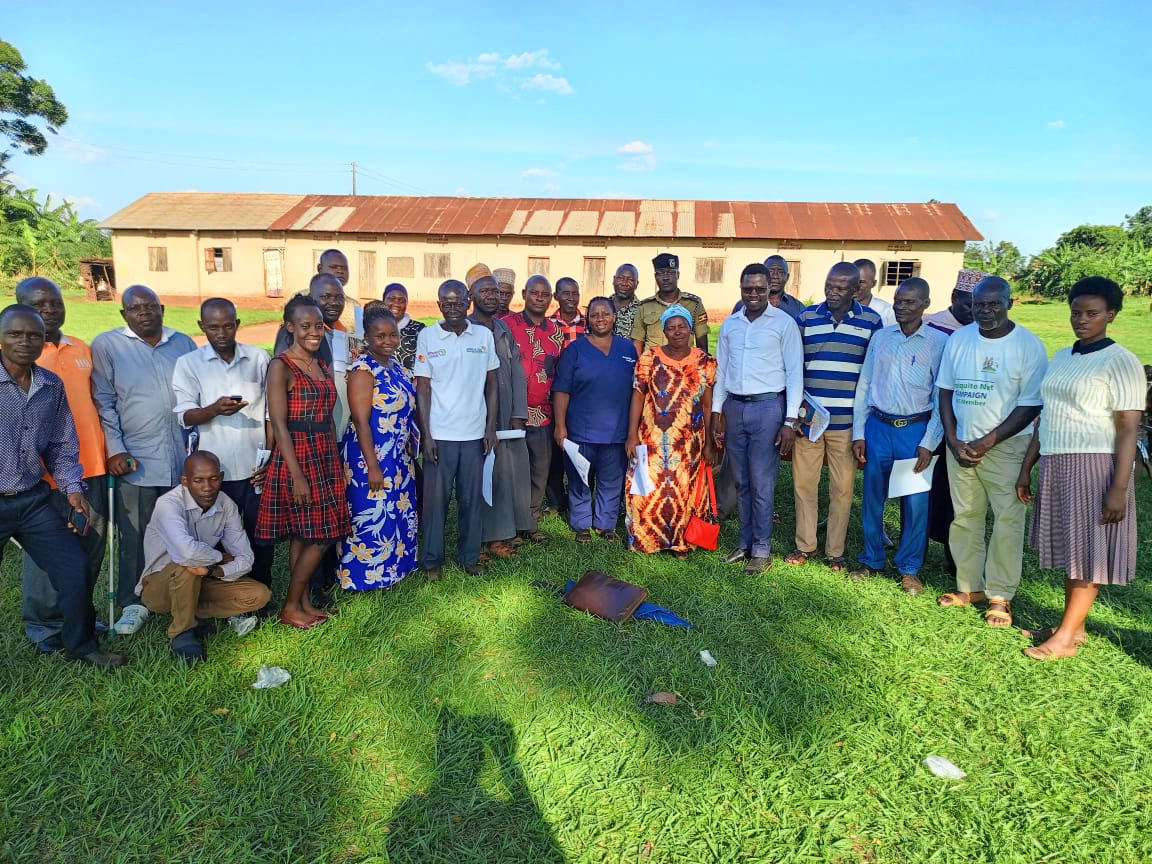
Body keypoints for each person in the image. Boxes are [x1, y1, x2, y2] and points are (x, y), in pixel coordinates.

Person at [1016, 277, 1145, 659]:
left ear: (1111, 315)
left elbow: (1127, 429)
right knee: (1073, 550)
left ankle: (1064, 639)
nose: (1081, 320)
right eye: (1076, 312)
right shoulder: (1063, 356)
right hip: (1058, 463)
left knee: (1088, 551)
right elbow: (1047, 416)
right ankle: (1073, 627)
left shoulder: (1121, 361)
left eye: (1092, 313)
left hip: (1095, 465)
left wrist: (1119, 488)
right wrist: (1027, 467)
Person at [0, 304, 124, 669]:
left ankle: (82, 645)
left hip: (31, 499)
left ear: (43, 340)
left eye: (33, 335)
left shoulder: (49, 385)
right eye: (15, 334)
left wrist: (72, 489)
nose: (25, 341)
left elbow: (61, 444)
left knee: (73, 566)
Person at [936, 276, 1047, 627]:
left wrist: (987, 442)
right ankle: (970, 586)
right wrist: (953, 441)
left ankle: (1000, 595)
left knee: (1007, 520)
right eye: (979, 304)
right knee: (965, 516)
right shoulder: (959, 339)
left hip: (1006, 447)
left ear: (1010, 303)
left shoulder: (1028, 346)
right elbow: (945, 391)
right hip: (962, 444)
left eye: (993, 304)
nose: (985, 311)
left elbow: (1031, 405)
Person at [91, 284, 196, 635]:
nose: (144, 312)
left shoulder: (182, 343)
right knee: (134, 536)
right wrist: (115, 449)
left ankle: (173, 594)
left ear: (162, 308)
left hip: (181, 458)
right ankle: (132, 602)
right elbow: (104, 402)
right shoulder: (108, 346)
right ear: (124, 314)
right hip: (136, 460)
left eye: (150, 306)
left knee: (179, 530)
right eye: (135, 308)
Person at [14, 278, 109, 655]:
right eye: (39, 305)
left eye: (55, 303)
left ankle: (79, 615)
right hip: (44, 476)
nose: (50, 310)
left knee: (90, 546)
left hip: (92, 467)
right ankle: (44, 624)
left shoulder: (81, 349)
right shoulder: (22, 353)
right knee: (45, 555)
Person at [256, 294, 352, 628]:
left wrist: (337, 462)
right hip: (297, 454)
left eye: (318, 326)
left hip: (324, 451)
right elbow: (279, 424)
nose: (314, 332)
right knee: (320, 535)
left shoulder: (321, 365)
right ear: (289, 327)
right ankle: (290, 606)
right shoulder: (281, 366)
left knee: (304, 534)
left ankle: (303, 602)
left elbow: (328, 416)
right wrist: (296, 475)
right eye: (305, 326)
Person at [850, 278, 948, 593]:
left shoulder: (938, 343)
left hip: (915, 430)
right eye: (898, 301)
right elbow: (865, 385)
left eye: (910, 302)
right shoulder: (881, 338)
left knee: (915, 502)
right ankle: (872, 558)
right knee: (872, 497)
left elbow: (940, 397)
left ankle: (908, 568)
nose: (902, 307)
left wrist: (929, 443)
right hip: (878, 427)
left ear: (925, 305)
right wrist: (859, 432)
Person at [172, 298, 273, 595]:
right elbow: (185, 415)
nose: (221, 333)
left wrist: (269, 459)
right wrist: (213, 409)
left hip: (255, 468)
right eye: (213, 327)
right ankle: (216, 595)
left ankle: (259, 593)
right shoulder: (189, 364)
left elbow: (270, 414)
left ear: (237, 324)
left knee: (260, 536)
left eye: (228, 325)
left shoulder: (258, 359)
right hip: (214, 475)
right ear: (202, 327)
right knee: (214, 538)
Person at [786, 263, 883, 572]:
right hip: (810, 421)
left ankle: (835, 552)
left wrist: (862, 429)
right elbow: (793, 366)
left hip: (847, 423)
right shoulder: (807, 318)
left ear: (857, 290)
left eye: (841, 287)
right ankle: (805, 545)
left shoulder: (871, 322)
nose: (832, 291)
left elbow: (873, 374)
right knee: (804, 485)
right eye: (830, 284)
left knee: (842, 490)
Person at [712, 264, 804, 573]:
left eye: (759, 289)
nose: (754, 294)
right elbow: (722, 371)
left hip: (768, 409)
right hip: (735, 409)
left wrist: (790, 421)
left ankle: (762, 550)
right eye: (748, 289)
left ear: (770, 289)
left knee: (762, 482)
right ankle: (744, 543)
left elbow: (794, 374)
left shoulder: (784, 324)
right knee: (741, 481)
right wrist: (716, 412)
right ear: (740, 288)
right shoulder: (730, 325)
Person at [136, 451, 269, 661]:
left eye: (213, 479)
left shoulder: (226, 504)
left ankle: (190, 610)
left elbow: (246, 557)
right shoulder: (168, 504)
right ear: (185, 481)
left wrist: (215, 570)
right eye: (198, 481)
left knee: (259, 595)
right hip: (158, 586)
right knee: (185, 564)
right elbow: (186, 552)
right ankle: (182, 632)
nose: (207, 488)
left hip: (202, 576)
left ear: (221, 478)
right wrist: (219, 557)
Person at [413, 280, 499, 580]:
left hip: (474, 435)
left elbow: (492, 384)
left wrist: (491, 427)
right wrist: (426, 435)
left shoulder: (484, 336)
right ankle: (432, 561)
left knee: (471, 499)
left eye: (458, 301)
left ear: (468, 302)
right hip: (440, 436)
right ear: (439, 305)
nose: (453, 306)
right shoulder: (428, 337)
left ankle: (469, 555)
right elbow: (422, 389)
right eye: (446, 302)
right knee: (435, 503)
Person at [338, 305, 419, 590]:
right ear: (367, 337)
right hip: (369, 455)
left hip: (398, 454)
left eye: (393, 335)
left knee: (397, 510)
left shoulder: (395, 365)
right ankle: (365, 576)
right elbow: (361, 422)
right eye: (380, 336)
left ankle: (396, 569)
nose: (388, 341)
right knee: (372, 513)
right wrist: (372, 465)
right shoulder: (363, 369)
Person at [625, 305, 717, 557]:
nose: (677, 332)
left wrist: (709, 443)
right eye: (671, 327)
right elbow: (637, 397)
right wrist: (631, 435)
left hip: (689, 443)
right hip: (652, 439)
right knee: (649, 489)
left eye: (682, 326)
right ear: (663, 330)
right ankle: (648, 540)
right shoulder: (648, 358)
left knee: (684, 491)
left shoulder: (705, 362)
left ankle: (681, 541)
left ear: (690, 329)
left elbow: (708, 405)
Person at [552, 297, 637, 543]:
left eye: (605, 314)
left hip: (616, 430)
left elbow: (637, 391)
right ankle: (581, 524)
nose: (600, 318)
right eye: (594, 314)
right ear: (588, 319)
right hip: (581, 429)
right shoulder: (575, 349)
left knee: (611, 480)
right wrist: (560, 426)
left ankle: (605, 524)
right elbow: (561, 390)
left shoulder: (627, 349)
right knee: (580, 479)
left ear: (614, 317)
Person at [466, 264, 532, 560]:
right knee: (478, 476)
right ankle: (477, 539)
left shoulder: (503, 328)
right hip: (476, 417)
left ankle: (499, 536)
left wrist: (518, 413)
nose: (492, 296)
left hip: (506, 416)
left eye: (495, 290)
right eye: (485, 291)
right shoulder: (465, 330)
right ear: (471, 295)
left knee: (503, 474)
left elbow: (517, 372)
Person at [924, 268, 986, 581]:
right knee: (921, 488)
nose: (974, 312)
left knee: (958, 495)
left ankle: (955, 556)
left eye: (980, 306)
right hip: (927, 420)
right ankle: (916, 549)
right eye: (968, 305)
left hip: (966, 424)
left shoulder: (985, 330)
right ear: (954, 298)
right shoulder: (931, 323)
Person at [504, 274, 561, 540]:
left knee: (540, 469)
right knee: (513, 471)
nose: (539, 298)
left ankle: (531, 522)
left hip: (543, 414)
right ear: (525, 293)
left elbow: (560, 373)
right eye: (534, 293)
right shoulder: (506, 325)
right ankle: (512, 526)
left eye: (545, 294)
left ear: (551, 298)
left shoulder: (557, 331)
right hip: (511, 413)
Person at [273, 273, 355, 436]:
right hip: (306, 433)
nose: (334, 303)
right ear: (311, 298)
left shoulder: (334, 332)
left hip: (333, 430)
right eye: (326, 297)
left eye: (339, 297)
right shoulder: (294, 334)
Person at [631, 253, 709, 354]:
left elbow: (702, 346)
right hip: (653, 365)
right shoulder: (644, 307)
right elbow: (637, 343)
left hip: (685, 365)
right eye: (661, 273)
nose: (666, 278)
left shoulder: (694, 304)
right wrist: (639, 367)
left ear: (678, 275)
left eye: (670, 273)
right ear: (655, 277)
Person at [731, 256, 806, 323]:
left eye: (780, 272)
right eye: (770, 271)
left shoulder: (798, 308)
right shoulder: (742, 305)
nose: (775, 276)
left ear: (787, 277)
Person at [382, 282, 426, 371]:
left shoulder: (419, 329)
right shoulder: (373, 328)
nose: (397, 304)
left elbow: (426, 359)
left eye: (402, 300)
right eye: (392, 299)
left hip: (411, 383)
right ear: (383, 301)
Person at [854, 258, 897, 327]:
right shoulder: (840, 310)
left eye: (861, 282)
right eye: (851, 281)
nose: (855, 286)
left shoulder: (887, 313)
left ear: (873, 283)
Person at [549, 277, 586, 350]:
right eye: (566, 294)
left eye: (575, 294)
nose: (571, 298)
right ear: (556, 296)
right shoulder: (547, 325)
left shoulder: (589, 325)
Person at [610, 264, 641, 338]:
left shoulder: (641, 311)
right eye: (620, 278)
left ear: (637, 284)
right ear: (614, 280)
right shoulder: (602, 306)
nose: (624, 283)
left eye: (630, 280)